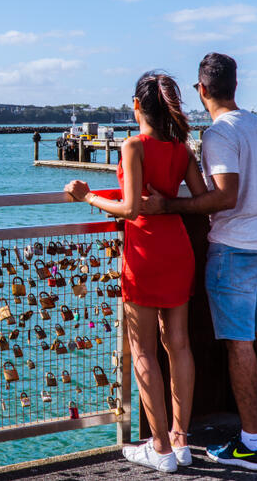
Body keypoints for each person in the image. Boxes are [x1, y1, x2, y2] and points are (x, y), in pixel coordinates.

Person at [143, 52, 257, 472]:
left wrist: (169, 204)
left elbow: (226, 194)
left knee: (240, 343)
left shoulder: (218, 134)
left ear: (202, 89)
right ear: (236, 86)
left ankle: (250, 444)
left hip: (236, 249)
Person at [65, 71, 206, 473]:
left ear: (138, 105)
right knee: (178, 345)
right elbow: (200, 200)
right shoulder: (181, 149)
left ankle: (158, 448)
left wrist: (87, 195)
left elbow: (130, 209)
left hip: (145, 253)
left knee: (143, 349)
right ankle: (180, 441)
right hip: (178, 248)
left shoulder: (133, 145)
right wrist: (164, 202)